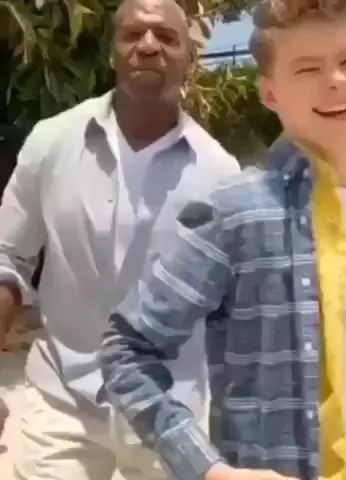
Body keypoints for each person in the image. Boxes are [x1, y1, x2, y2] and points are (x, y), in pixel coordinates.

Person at [100, 1, 346, 480]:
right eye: (308, 69)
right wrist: (209, 469)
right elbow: (126, 349)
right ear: (270, 93)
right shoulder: (235, 210)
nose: (336, 81)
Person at [0, 0, 239, 477]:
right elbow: (8, 257)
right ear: (113, 52)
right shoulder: (51, 142)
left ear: (189, 59)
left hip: (169, 412)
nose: (148, 46)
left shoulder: (221, 175)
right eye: (133, 35)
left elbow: (229, 314)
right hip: (61, 402)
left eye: (166, 37)